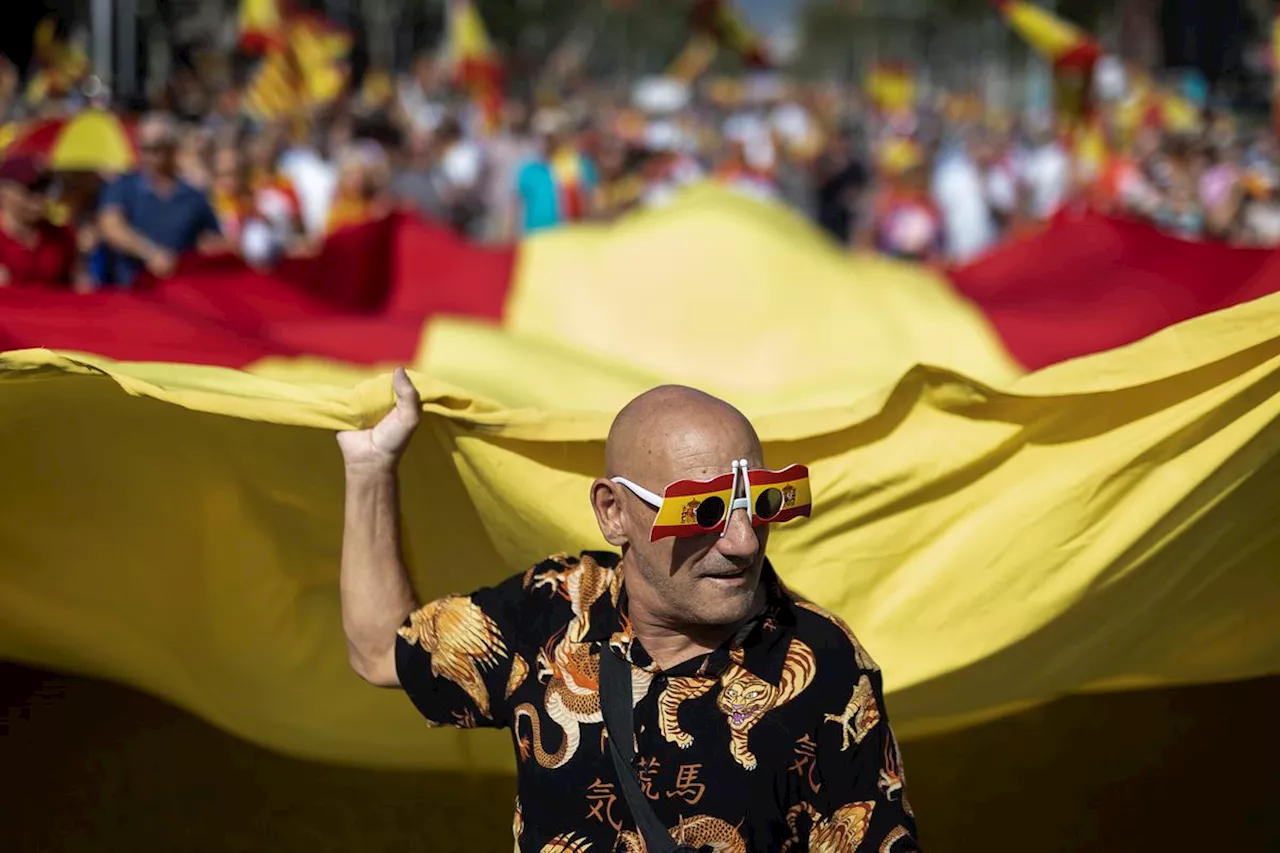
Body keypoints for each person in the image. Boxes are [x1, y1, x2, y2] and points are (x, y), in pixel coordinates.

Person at [338, 371, 920, 851]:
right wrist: (369, 470)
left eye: (765, 500)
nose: (744, 541)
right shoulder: (554, 606)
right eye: (703, 510)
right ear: (613, 512)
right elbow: (377, 653)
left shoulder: (820, 662)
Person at [98, 112, 224, 286]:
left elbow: (213, 240)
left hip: (180, 294)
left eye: (155, 149)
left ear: (172, 149)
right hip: (132, 293)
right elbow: (111, 226)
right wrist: (150, 253)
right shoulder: (123, 187)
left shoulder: (194, 196)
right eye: (144, 148)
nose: (148, 156)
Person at [0, 155, 78, 288]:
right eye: (31, 188)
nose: (38, 198)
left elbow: (78, 288)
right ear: (4, 192)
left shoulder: (62, 237)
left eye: (45, 189)